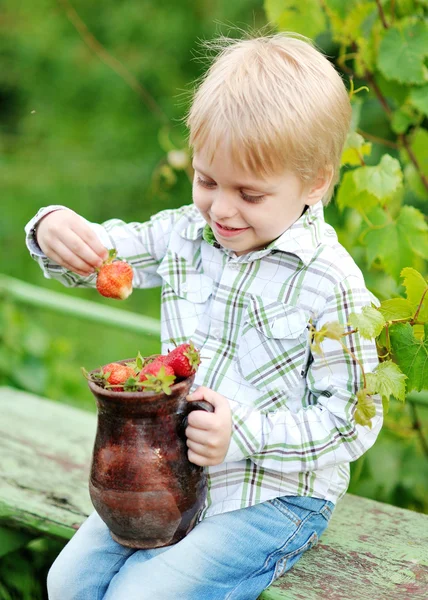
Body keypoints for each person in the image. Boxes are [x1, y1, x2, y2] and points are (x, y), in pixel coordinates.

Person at [25, 32, 383, 600]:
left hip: (275, 495)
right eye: (207, 180)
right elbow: (107, 253)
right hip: (173, 473)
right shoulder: (187, 233)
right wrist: (54, 231)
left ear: (315, 181)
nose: (221, 208)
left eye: (250, 193)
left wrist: (243, 432)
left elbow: (352, 419)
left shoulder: (332, 284)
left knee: (140, 595)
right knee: (68, 582)